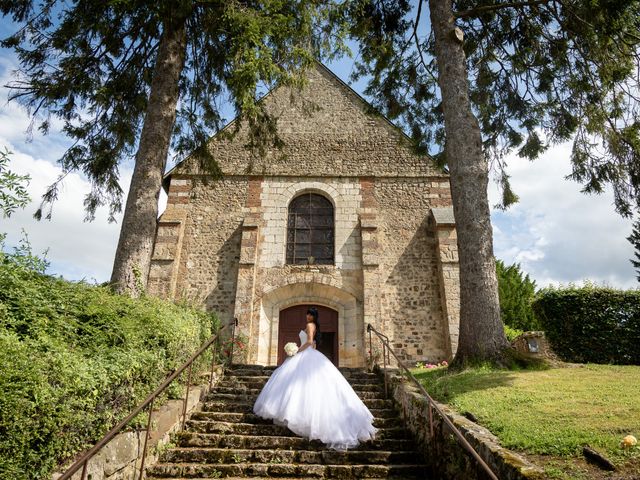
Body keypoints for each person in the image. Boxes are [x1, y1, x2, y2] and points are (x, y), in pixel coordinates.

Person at [253, 307, 377, 450]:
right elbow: (315, 345)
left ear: (313, 316)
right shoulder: (315, 326)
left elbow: (310, 342)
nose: (307, 316)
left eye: (310, 314)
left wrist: (297, 351)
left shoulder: (309, 326)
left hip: (306, 353)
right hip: (311, 354)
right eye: (307, 314)